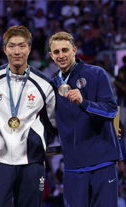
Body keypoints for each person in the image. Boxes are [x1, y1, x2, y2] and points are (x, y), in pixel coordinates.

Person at [0, 25, 57, 207]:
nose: (17, 51)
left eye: (22, 46)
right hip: (0, 161)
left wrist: (35, 143)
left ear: (30, 49)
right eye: (12, 46)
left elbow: (53, 123)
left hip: (32, 163)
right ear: (4, 49)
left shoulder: (45, 85)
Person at [49, 31, 123, 207]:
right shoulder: (51, 86)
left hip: (101, 162)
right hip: (73, 167)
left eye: (65, 50)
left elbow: (112, 110)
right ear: (51, 56)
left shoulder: (96, 73)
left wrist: (85, 102)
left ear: (74, 50)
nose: (61, 55)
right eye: (57, 52)